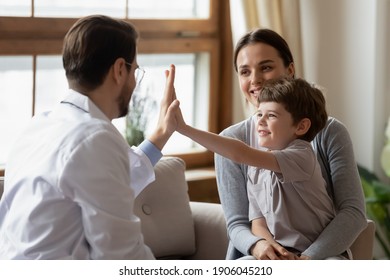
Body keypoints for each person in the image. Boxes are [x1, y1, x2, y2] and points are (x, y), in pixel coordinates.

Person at [0, 15, 179, 260]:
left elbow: (105, 183)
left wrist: (162, 133)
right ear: (119, 70)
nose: (135, 81)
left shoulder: (37, 126)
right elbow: (122, 256)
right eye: (135, 70)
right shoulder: (96, 137)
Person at [214, 28, 367, 260]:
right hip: (259, 255)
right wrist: (260, 247)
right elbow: (237, 223)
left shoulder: (331, 132)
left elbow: (353, 212)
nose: (254, 79)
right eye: (245, 72)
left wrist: (307, 259)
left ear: (290, 70)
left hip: (321, 256)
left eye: (265, 67)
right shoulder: (230, 140)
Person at [175, 76, 340, 259]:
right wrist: (275, 251)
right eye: (259, 114)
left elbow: (240, 153)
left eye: (271, 115)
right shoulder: (255, 168)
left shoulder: (302, 155)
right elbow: (258, 223)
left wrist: (184, 129)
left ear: (301, 126)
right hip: (283, 251)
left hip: (321, 254)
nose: (260, 121)